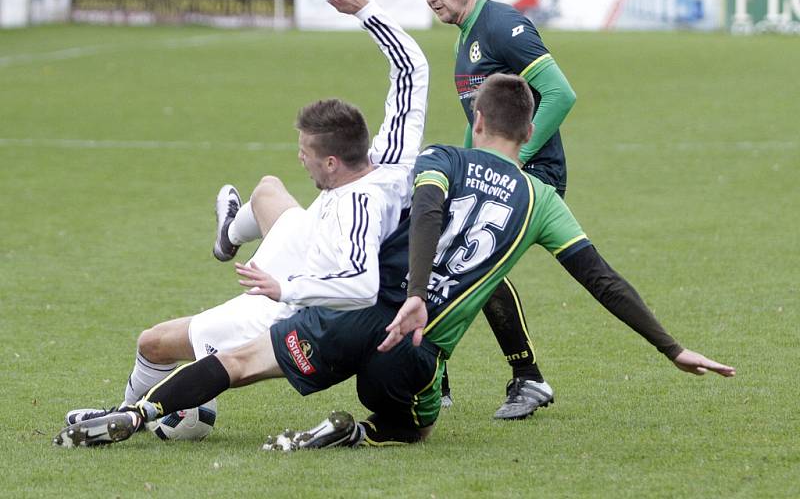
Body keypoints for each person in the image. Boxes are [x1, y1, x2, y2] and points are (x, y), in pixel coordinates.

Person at [54, 73, 734, 450]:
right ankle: (360, 433)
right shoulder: (542, 202)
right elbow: (601, 279)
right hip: (410, 348)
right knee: (415, 424)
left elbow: (428, 212)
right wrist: (670, 347)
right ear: (529, 133)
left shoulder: (441, 156)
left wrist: (409, 284)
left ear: (477, 123)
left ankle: (138, 415)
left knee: (235, 364)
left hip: (355, 305)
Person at [62, 0, 429, 426]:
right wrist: (363, 9)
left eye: (307, 154)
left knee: (152, 342)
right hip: (305, 243)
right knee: (268, 190)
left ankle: (125, 413)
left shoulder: (357, 208)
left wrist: (284, 289)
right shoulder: (390, 161)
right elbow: (412, 68)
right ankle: (228, 236)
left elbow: (358, 286)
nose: (302, 159)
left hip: (293, 296)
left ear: (332, 162)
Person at [408, 0, 578, 419]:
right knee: (451, 252)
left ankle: (524, 378)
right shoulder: (466, 37)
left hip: (534, 171)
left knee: (471, 261)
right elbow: (480, 117)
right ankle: (437, 377)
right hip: (501, 169)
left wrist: (512, 160)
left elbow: (560, 94)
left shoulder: (502, 25)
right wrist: (465, 170)